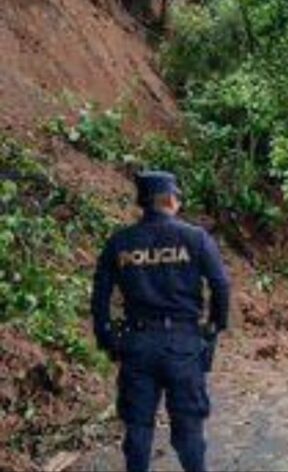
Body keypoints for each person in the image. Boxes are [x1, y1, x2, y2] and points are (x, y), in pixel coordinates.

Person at [91, 171, 230, 472]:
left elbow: (100, 294)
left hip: (137, 343)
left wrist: (107, 337)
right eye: (177, 197)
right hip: (183, 344)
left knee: (138, 427)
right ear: (168, 200)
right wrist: (214, 326)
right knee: (189, 427)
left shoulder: (120, 242)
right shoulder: (195, 238)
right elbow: (221, 285)